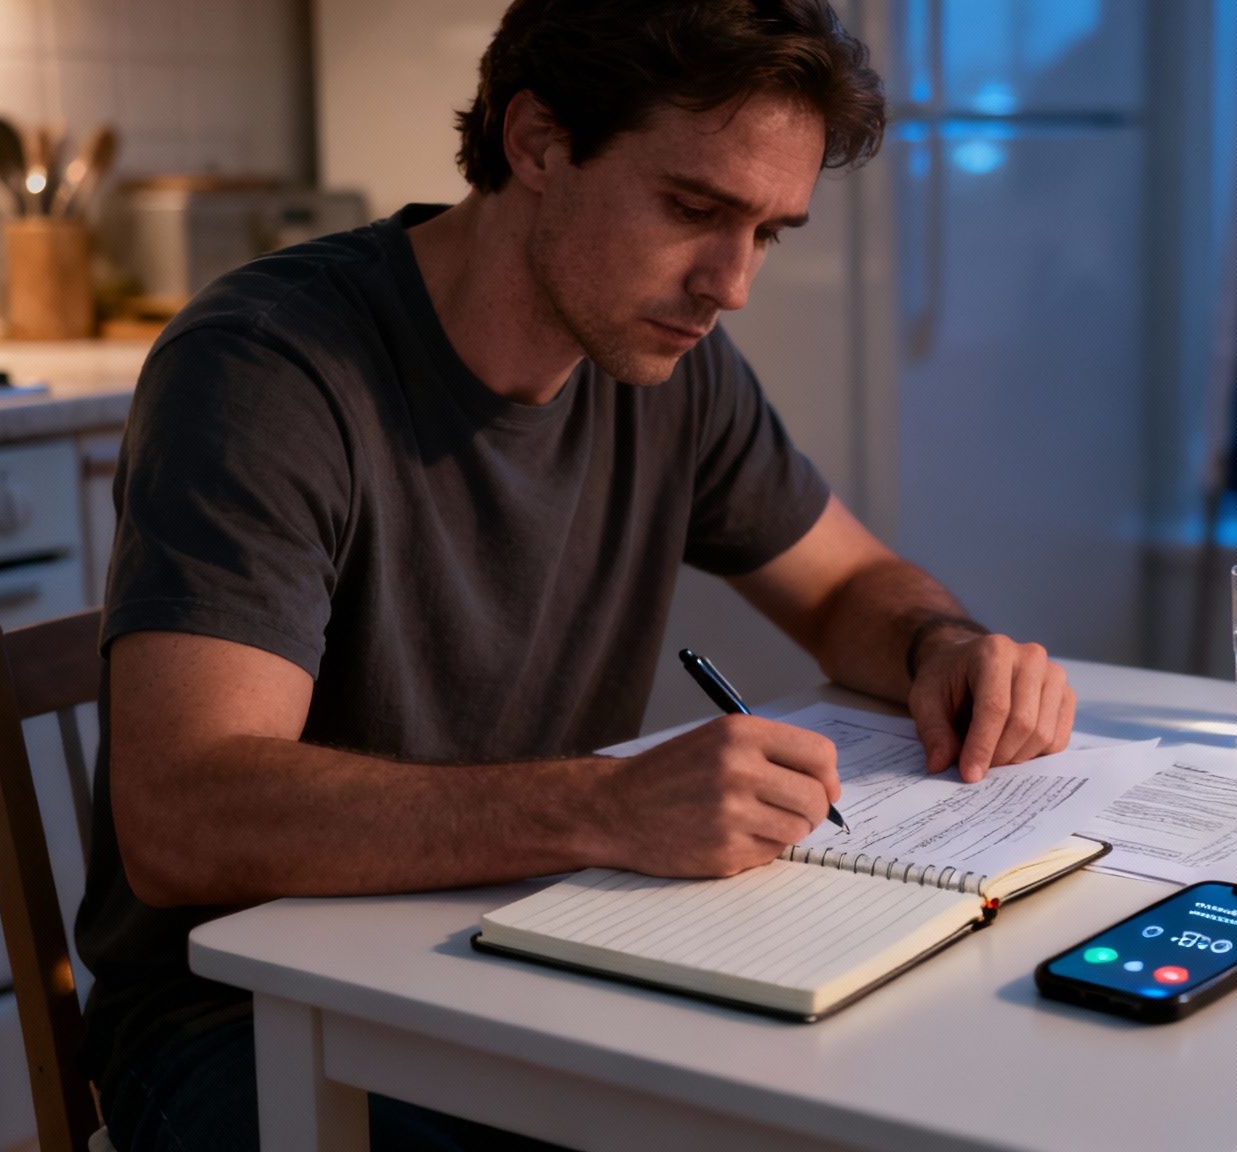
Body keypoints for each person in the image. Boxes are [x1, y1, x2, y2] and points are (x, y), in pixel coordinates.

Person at [76, 1, 1076, 1148]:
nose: (730, 284)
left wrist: (942, 647)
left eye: (768, 233)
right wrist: (606, 807)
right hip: (244, 1018)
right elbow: (183, 816)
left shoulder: (672, 370)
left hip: (530, 954)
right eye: (693, 210)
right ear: (538, 142)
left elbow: (849, 587)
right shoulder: (269, 368)